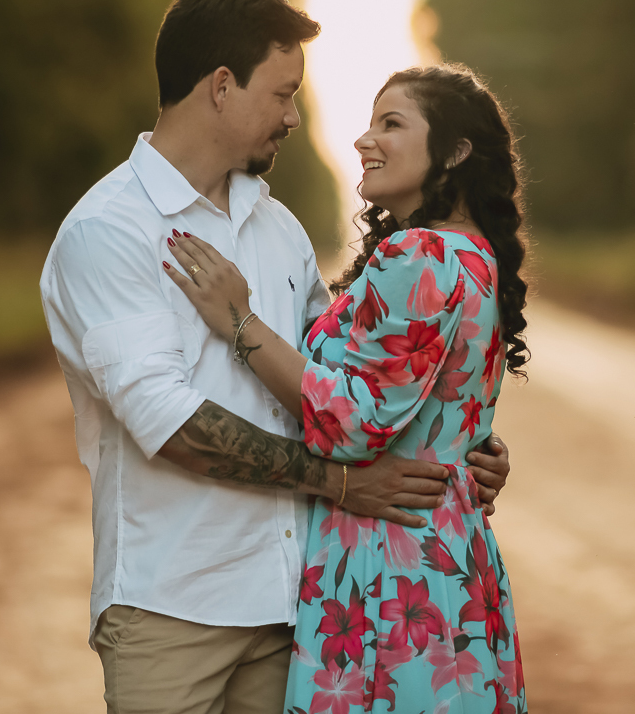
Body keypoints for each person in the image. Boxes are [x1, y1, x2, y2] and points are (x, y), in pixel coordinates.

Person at [39, 0, 511, 714]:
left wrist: (456, 443)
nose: (294, 118)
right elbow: (170, 423)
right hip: (175, 609)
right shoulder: (110, 231)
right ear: (222, 87)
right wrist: (345, 485)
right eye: (282, 94)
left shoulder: (276, 227)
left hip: (292, 607)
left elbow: (355, 376)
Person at [163, 63, 529, 713]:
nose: (365, 140)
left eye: (391, 124)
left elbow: (351, 422)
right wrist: (477, 446)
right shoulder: (476, 258)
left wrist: (239, 322)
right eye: (367, 123)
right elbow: (430, 398)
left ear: (456, 151)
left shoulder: (417, 255)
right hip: (454, 559)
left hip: (390, 565)